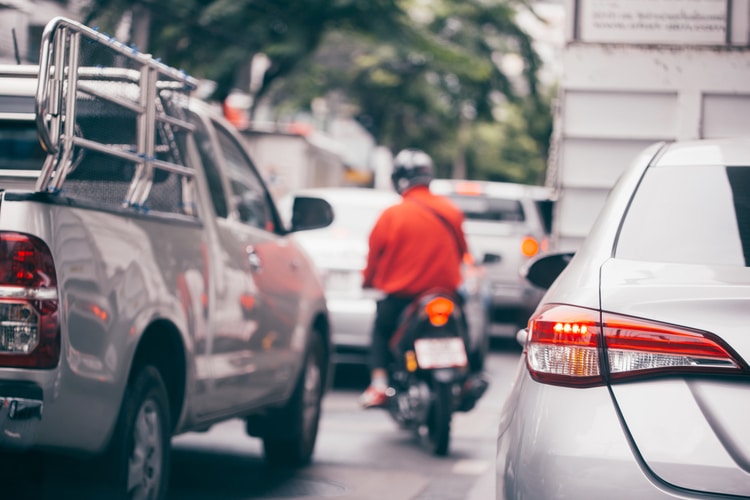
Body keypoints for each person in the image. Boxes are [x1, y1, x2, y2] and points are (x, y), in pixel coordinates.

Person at [360, 148, 470, 408]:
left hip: (403, 300)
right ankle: (467, 379)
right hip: (446, 296)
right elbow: (464, 252)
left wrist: (368, 282)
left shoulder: (392, 215)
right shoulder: (451, 211)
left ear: (399, 178)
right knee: (464, 329)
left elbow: (373, 257)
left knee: (380, 331)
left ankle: (378, 385)